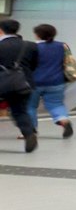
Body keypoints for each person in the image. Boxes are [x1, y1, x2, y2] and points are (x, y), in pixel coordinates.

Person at [29, 24, 75, 139]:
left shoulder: (32, 47)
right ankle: (64, 120)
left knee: (30, 106)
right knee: (56, 104)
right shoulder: (62, 46)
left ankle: (31, 131)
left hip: (34, 81)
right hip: (57, 81)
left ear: (38, 35)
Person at [0, 19, 38, 154]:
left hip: (2, 83)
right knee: (20, 111)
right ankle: (29, 134)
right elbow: (34, 65)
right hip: (24, 83)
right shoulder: (30, 45)